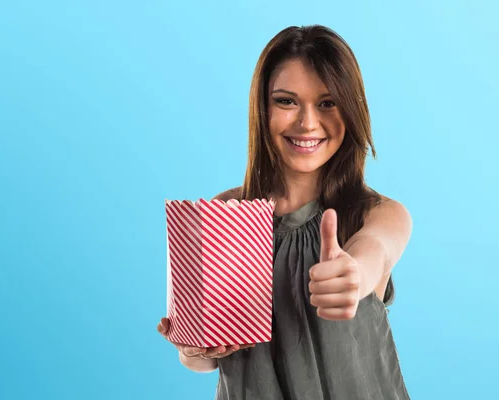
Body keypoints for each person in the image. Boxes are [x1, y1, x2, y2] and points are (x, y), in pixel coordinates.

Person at [158, 24, 413, 399]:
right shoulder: (223, 213)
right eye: (286, 101)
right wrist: (193, 348)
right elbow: (201, 361)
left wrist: (352, 275)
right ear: (262, 108)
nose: (307, 123)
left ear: (351, 109)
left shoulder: (379, 214)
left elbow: (375, 249)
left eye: (327, 102)